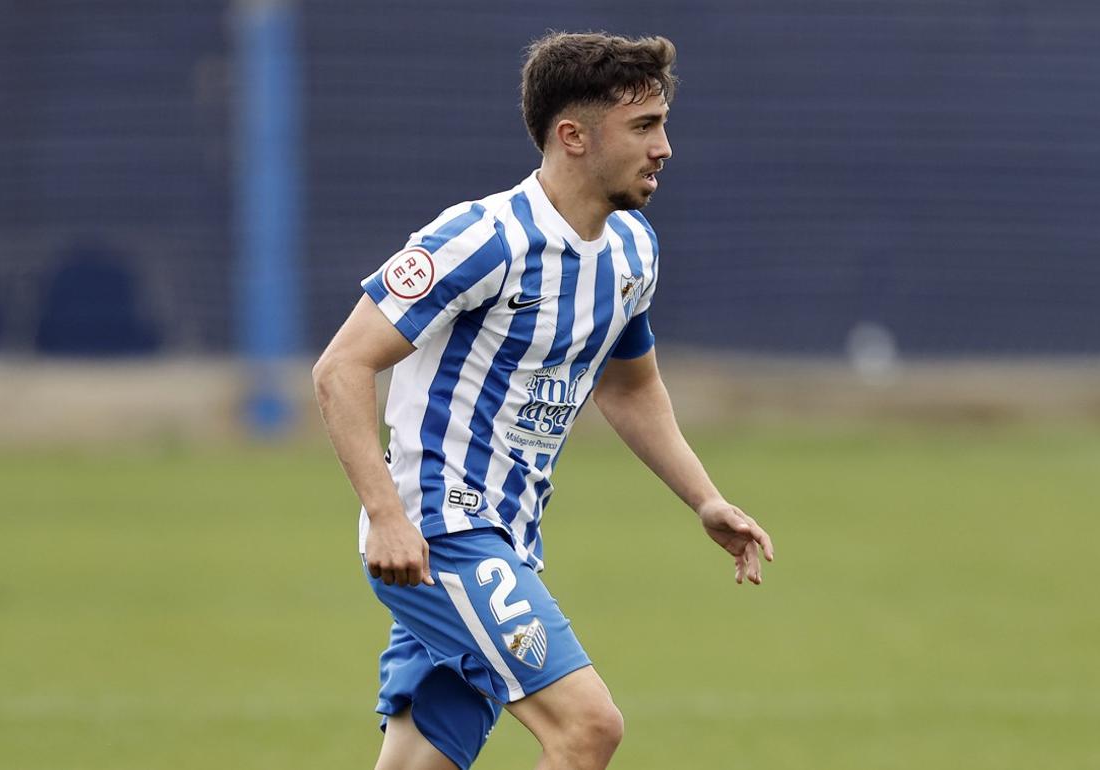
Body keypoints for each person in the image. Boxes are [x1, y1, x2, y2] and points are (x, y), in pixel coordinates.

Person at [313, 31, 775, 770]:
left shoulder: (633, 251)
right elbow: (341, 367)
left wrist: (704, 498)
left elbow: (630, 386)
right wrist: (387, 516)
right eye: (644, 127)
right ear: (573, 136)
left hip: (509, 539)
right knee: (589, 728)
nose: (665, 148)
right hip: (442, 532)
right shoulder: (480, 238)